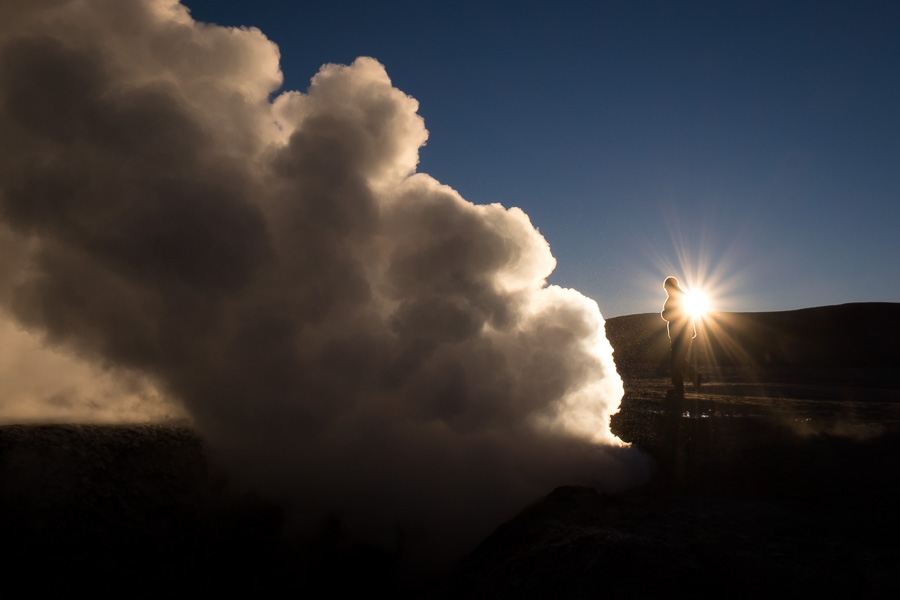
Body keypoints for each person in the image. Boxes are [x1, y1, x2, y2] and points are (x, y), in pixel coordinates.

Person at [661, 276, 701, 395]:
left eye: (667, 288)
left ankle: (681, 386)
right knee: (678, 360)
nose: (666, 290)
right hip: (684, 333)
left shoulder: (674, 298)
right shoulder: (683, 296)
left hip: (680, 334)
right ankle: (687, 382)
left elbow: (672, 315)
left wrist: (664, 313)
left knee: (676, 361)